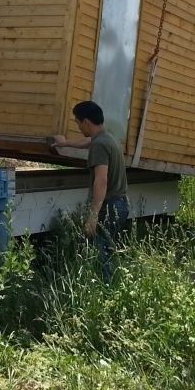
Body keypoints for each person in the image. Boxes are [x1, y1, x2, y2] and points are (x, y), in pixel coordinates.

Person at [52, 100, 129, 280]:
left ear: (86, 122)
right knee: (106, 250)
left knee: (101, 253)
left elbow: (101, 181)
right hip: (121, 203)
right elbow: (89, 141)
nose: (78, 127)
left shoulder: (100, 145)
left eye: (78, 123)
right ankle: (110, 288)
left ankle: (107, 291)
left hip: (110, 207)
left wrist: (93, 216)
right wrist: (65, 143)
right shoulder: (108, 138)